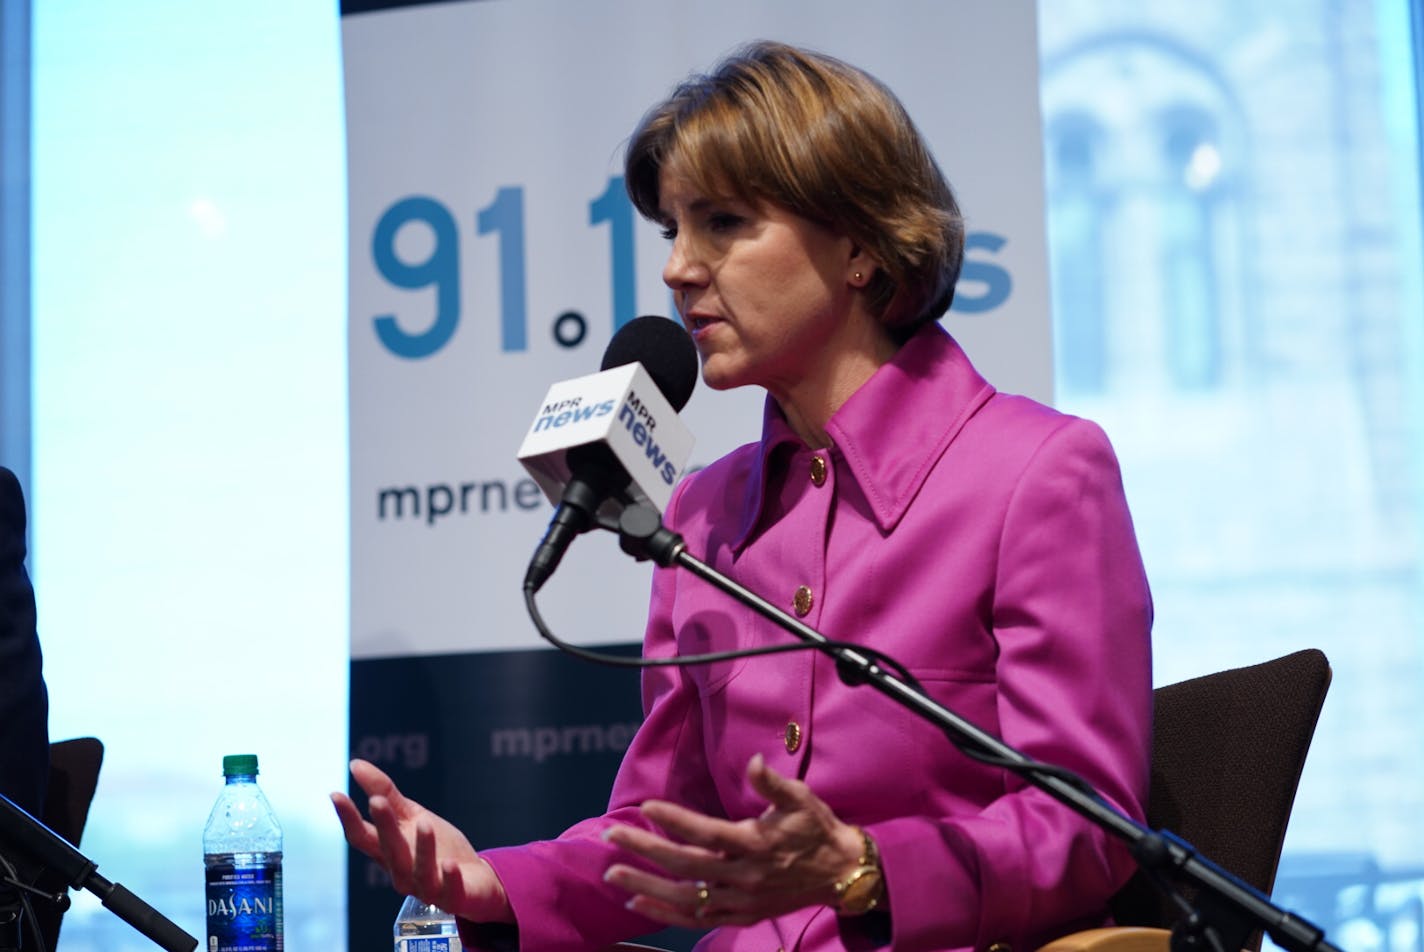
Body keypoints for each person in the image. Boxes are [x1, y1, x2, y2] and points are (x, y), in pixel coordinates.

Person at [333, 41, 1152, 951]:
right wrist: (498, 882)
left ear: (861, 246)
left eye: (723, 223)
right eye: (672, 231)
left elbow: (1088, 828)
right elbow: (660, 834)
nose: (678, 269)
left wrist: (867, 870)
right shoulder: (699, 516)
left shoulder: (1037, 472)